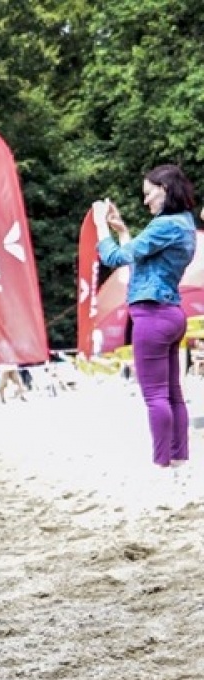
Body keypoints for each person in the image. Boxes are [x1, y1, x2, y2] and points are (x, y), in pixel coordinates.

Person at [95, 164, 198, 473]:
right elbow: (139, 260)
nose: (145, 201)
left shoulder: (164, 225)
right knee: (173, 394)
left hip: (152, 315)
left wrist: (101, 226)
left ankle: (161, 463)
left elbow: (114, 258)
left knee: (154, 395)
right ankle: (179, 456)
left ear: (164, 190)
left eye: (148, 193)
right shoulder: (183, 224)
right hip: (171, 314)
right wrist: (123, 231)